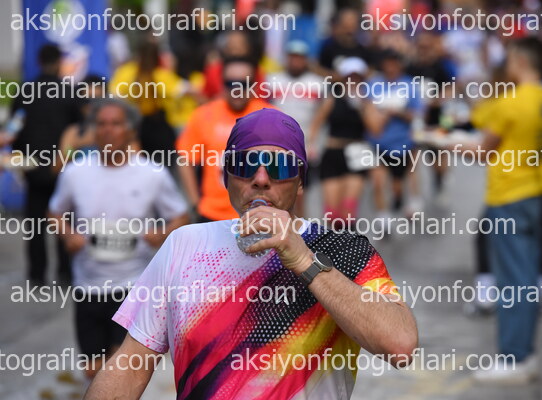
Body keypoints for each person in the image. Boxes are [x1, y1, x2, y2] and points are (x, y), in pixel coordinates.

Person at [84, 108, 418, 399]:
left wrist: (304, 261)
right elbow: (131, 364)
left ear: (300, 181)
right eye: (246, 164)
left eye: (279, 167)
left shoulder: (342, 249)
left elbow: (400, 345)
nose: (260, 179)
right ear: (226, 176)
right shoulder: (184, 244)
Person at [48, 98, 189, 378]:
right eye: (101, 124)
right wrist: (68, 234)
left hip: (134, 286)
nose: (108, 130)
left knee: (120, 370)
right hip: (88, 285)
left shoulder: (152, 174)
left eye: (116, 124)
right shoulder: (75, 172)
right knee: (93, 370)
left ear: (131, 130)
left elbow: (181, 217)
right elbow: (54, 212)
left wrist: (161, 234)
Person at [456, 37, 542, 383]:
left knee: (512, 280)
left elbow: (483, 151)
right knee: (525, 276)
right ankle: (524, 354)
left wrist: (449, 145)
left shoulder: (512, 102)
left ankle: (514, 356)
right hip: (535, 192)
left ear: (520, 62)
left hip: (508, 196)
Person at [5, 44, 81, 285]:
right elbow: (77, 132)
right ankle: (65, 273)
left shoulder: (25, 91)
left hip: (32, 166)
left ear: (39, 62)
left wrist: (18, 159)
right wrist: (68, 157)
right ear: (59, 62)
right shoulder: (69, 92)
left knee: (35, 223)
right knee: (63, 219)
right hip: (61, 167)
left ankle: (37, 275)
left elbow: (14, 129)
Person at [176, 57, 274, 222]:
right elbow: (185, 159)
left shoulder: (270, 117)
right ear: (222, 84)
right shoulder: (204, 115)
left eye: (243, 84)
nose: (237, 90)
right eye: (231, 84)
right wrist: (195, 204)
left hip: (258, 214)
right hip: (212, 214)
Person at [309, 57, 370, 229]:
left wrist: (361, 106)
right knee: (332, 214)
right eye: (350, 77)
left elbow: (375, 129)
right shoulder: (332, 99)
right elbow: (316, 123)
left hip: (357, 154)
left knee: (349, 212)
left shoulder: (366, 102)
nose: (353, 82)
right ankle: (334, 244)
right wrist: (311, 145)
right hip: (333, 153)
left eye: (357, 78)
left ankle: (350, 243)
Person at [362, 49, 421, 223]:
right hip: (377, 143)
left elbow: (417, 114)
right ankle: (383, 216)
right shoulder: (373, 84)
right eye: (387, 64)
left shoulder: (409, 85)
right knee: (378, 181)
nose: (390, 68)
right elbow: (366, 109)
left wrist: (398, 113)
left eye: (394, 64)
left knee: (399, 182)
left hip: (403, 142)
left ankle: (405, 198)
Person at [267, 40, 325, 216]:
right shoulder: (272, 80)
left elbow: (325, 107)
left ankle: (299, 226)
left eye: (299, 58)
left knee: (300, 191)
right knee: (277, 188)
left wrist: (315, 136)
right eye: (292, 57)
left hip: (305, 143)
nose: (295, 61)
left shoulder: (316, 83)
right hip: (277, 144)